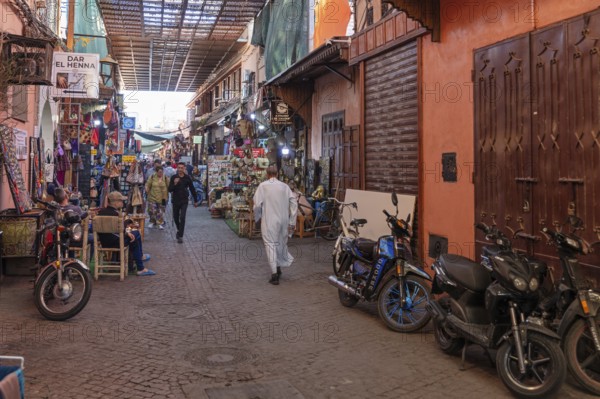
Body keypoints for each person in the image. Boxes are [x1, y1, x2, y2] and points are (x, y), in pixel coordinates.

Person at [253, 165, 298, 285]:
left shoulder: (263, 186)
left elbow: (257, 205)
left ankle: (274, 275)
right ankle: (278, 267)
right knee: (280, 243)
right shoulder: (285, 186)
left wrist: (257, 217)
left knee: (270, 245)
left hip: (269, 219)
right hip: (283, 219)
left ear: (267, 174)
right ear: (277, 174)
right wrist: (292, 221)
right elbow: (294, 203)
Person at [97, 191, 155, 276]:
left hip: (104, 242)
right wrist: (128, 232)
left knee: (134, 237)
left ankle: (139, 260)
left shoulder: (100, 213)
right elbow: (122, 229)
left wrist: (127, 232)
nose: (122, 202)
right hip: (117, 242)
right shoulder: (116, 214)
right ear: (116, 203)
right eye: (121, 201)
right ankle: (140, 266)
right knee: (136, 234)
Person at [168, 162, 199, 243]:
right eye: (179, 168)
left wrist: (195, 200)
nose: (180, 169)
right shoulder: (173, 177)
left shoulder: (187, 178)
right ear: (177, 168)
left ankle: (180, 236)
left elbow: (192, 189)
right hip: (175, 201)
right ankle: (179, 230)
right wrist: (174, 183)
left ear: (184, 168)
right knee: (175, 217)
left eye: (182, 168)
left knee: (182, 217)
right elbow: (170, 189)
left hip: (184, 201)